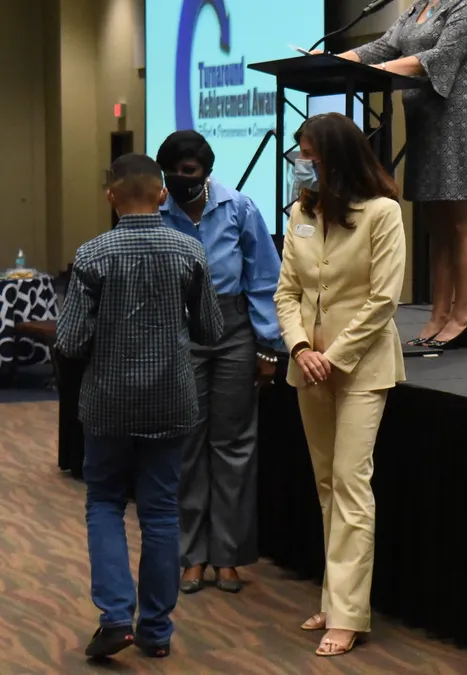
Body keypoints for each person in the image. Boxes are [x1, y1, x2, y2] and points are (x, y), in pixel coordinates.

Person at [56, 154, 223, 659]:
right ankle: (155, 631)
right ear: (163, 195)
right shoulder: (188, 250)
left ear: (111, 196)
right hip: (171, 400)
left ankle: (114, 618)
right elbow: (211, 331)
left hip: (107, 402)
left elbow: (68, 340)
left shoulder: (92, 255)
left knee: (104, 502)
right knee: (160, 512)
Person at [274, 113, 407, 657]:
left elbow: (384, 299)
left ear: (335, 158)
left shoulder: (382, 213)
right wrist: (302, 349)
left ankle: (350, 613)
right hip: (309, 365)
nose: (301, 162)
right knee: (326, 483)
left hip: (363, 368)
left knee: (352, 483)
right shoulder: (301, 214)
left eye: (308, 153)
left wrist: (335, 355)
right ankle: (334, 596)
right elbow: (286, 294)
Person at [155, 130, 285, 595]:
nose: (178, 179)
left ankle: (228, 556)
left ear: (205, 172)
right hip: (181, 330)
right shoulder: (159, 212)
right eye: (171, 172)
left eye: (187, 172)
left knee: (234, 444)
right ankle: (193, 555)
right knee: (188, 443)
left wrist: (269, 347)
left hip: (233, 330)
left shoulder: (239, 208)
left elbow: (264, 279)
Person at [336, 0, 467, 349]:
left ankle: (463, 317)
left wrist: (380, 68)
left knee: (460, 220)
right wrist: (332, 62)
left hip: (460, 117)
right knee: (436, 224)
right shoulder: (416, 9)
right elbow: (379, 47)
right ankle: (438, 316)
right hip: (424, 120)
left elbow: (440, 57)